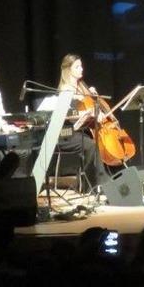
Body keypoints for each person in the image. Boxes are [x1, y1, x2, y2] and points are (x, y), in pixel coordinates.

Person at [54, 53, 108, 190]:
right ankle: (95, 185)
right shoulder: (65, 91)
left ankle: (91, 184)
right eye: (77, 67)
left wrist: (94, 99)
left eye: (81, 66)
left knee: (97, 143)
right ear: (68, 70)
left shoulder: (82, 88)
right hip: (65, 133)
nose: (81, 69)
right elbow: (65, 115)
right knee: (90, 145)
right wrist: (85, 113)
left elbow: (90, 108)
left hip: (79, 131)